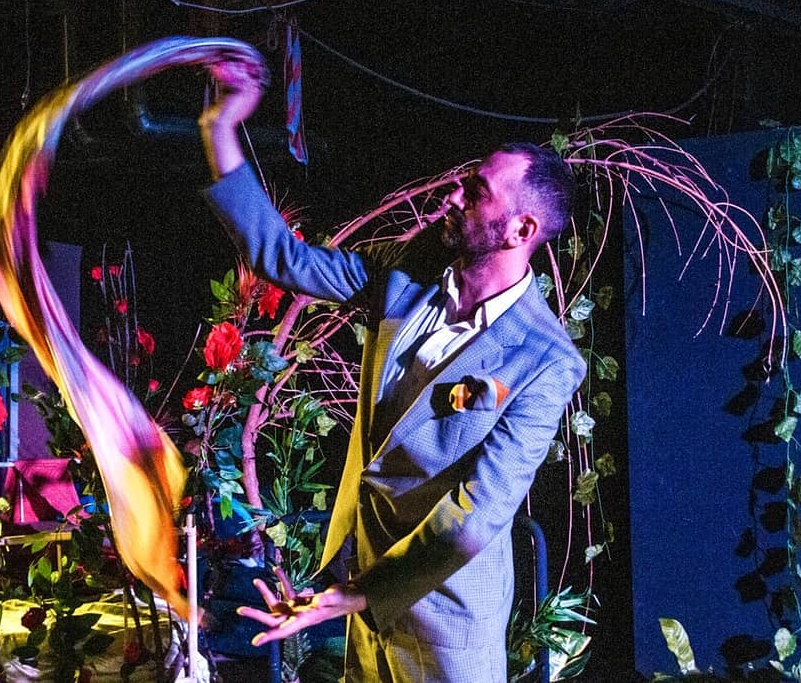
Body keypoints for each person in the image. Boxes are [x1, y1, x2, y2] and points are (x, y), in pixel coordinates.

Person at [198, 58, 587, 683]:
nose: (453, 196)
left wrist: (358, 595)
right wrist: (219, 128)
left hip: (447, 623)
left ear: (521, 229)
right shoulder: (407, 273)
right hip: (362, 597)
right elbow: (283, 258)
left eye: (477, 192)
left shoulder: (545, 360)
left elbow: (477, 513)